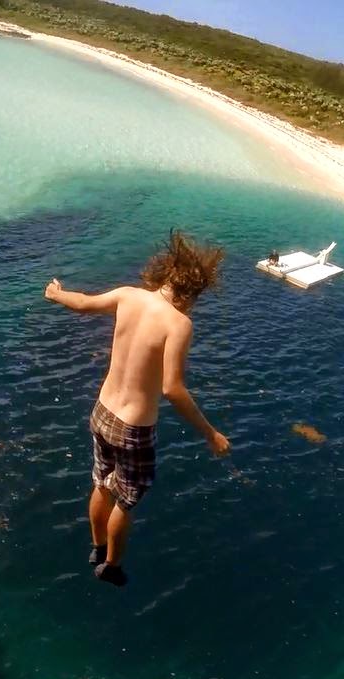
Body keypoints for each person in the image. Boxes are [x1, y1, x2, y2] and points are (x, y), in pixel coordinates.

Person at [44, 230, 231, 586]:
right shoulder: (179, 324)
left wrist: (56, 294)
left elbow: (82, 304)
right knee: (125, 500)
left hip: (101, 412)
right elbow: (172, 388)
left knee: (100, 483)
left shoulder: (128, 296)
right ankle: (111, 566)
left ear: (167, 274)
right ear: (192, 293)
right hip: (133, 428)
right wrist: (211, 434)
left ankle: (96, 547)